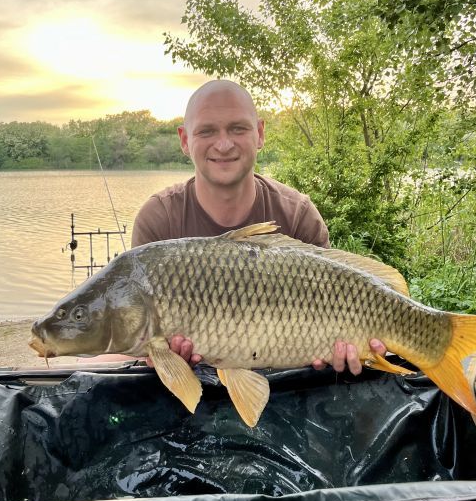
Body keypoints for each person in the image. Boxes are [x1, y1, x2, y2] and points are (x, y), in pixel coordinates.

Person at [133, 78, 386, 374]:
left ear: (260, 134)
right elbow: (143, 341)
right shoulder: (158, 220)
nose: (224, 144)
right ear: (185, 140)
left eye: (238, 128)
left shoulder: (298, 215)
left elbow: (340, 300)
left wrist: (346, 353)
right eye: (206, 131)